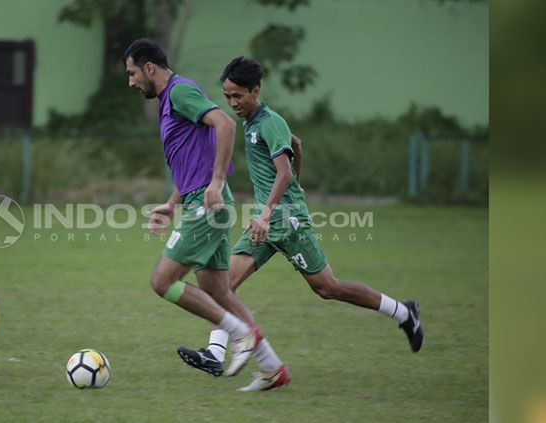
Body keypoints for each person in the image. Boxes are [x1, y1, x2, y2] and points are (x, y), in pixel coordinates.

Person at [178, 56, 425, 391]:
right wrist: (294, 188)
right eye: (228, 97)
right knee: (223, 285)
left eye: (238, 96)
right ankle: (215, 353)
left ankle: (403, 312)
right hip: (268, 221)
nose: (233, 103)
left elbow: (284, 171)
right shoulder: (251, 123)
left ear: (256, 90)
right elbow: (297, 144)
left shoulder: (269, 121)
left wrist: (273, 205)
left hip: (285, 220)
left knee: (327, 288)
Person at [123, 39, 290, 383]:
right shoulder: (171, 100)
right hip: (202, 200)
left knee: (162, 281)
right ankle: (273, 367)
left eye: (132, 73)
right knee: (217, 290)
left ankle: (240, 333)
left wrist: (215, 182)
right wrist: (172, 204)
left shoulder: (180, 92)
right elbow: (191, 157)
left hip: (208, 203)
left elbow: (225, 125)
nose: (131, 81)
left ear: (149, 68)